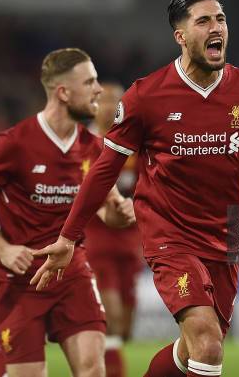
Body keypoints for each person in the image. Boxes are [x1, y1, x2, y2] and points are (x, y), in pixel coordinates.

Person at [31, 0, 239, 377]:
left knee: (195, 349)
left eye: (221, 19)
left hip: (224, 238)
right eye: (203, 20)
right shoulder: (147, 95)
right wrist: (68, 237)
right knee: (207, 346)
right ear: (181, 36)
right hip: (169, 235)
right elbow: (105, 168)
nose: (217, 27)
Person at [0, 48, 136, 377]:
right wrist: (3, 248)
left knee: (94, 371)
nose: (98, 90)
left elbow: (108, 211)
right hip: (21, 280)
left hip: (73, 273)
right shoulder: (15, 144)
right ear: (63, 92)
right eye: (90, 82)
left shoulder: (95, 148)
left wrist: (121, 212)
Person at [84, 82, 144, 377]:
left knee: (127, 328)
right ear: (93, 104)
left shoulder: (135, 143)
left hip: (131, 241)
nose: (110, 106)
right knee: (112, 317)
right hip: (98, 241)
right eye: (104, 100)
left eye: (115, 100)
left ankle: (101, 361)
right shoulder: (83, 143)